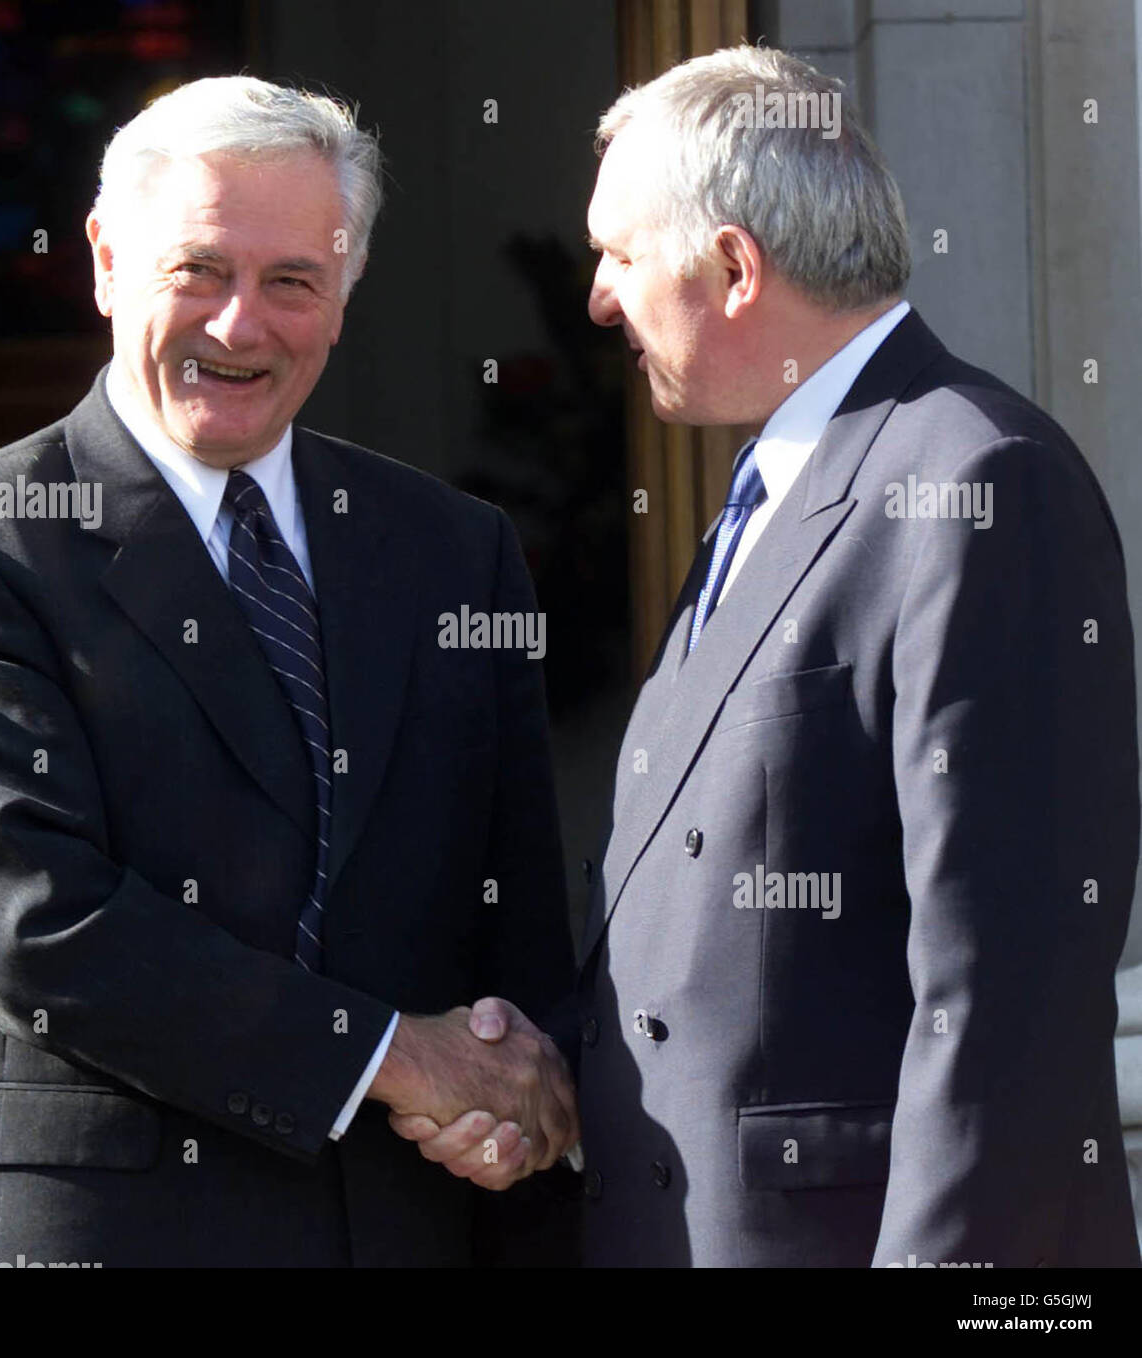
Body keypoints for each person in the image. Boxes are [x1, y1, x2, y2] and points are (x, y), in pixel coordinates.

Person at [405, 45, 1140, 1268]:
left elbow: (1005, 992)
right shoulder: (778, 483)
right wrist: (545, 1065)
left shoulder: (972, 479)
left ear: (734, 267)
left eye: (620, 255)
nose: (596, 298)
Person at [0, 76, 579, 1268]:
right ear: (104, 261)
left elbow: (518, 923)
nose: (241, 327)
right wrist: (388, 1053)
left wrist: (521, 1097)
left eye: (291, 281)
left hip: (408, 1224)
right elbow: (33, 917)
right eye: (198, 270)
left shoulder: (453, 549)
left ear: (342, 297)